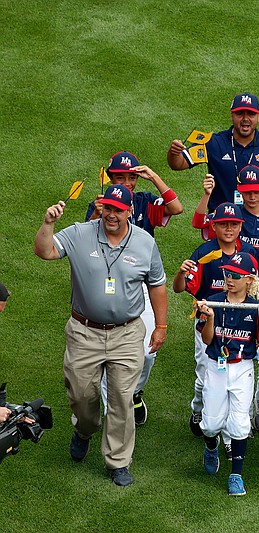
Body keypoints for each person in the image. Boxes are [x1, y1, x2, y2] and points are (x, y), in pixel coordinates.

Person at [34, 184, 168, 486]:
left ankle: (118, 461)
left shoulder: (145, 243)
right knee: (82, 396)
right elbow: (44, 251)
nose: (111, 214)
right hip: (84, 332)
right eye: (107, 208)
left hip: (126, 333)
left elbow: (157, 284)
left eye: (118, 210)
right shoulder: (80, 233)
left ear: (129, 211)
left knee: (121, 397)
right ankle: (84, 430)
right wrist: (48, 223)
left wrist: (161, 326)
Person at [86, 151, 184, 426]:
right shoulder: (101, 207)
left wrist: (152, 176)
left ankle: (134, 391)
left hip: (141, 285)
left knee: (147, 350)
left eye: (131, 177)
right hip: (105, 287)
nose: (127, 182)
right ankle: (115, 417)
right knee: (107, 352)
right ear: (109, 177)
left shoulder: (143, 201)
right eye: (120, 177)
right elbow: (83, 243)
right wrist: (95, 213)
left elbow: (175, 208)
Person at [174, 202, 257, 440]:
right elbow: (179, 288)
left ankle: (238, 425)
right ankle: (199, 411)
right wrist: (181, 273)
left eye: (233, 224)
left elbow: (256, 290)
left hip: (241, 324)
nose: (228, 228)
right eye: (223, 224)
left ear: (241, 226)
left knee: (242, 372)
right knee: (204, 374)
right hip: (209, 323)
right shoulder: (204, 253)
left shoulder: (250, 252)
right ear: (214, 226)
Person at [195, 252, 259, 496]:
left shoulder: (257, 309)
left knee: (239, 424)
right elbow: (206, 339)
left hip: (242, 367)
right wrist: (210, 318)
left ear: (249, 280)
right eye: (226, 274)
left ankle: (236, 475)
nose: (229, 279)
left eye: (235, 275)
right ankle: (211, 445)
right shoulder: (212, 301)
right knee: (211, 425)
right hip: (215, 366)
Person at [167, 92, 259, 212]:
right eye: (240, 114)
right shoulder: (213, 143)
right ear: (232, 116)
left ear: (258, 117)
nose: (245, 119)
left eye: (251, 114)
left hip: (255, 222)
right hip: (219, 222)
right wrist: (174, 153)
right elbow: (178, 164)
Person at [191, 167, 259, 270]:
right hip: (236, 279)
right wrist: (207, 194)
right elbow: (198, 223)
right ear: (239, 190)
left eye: (256, 192)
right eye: (247, 192)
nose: (252, 197)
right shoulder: (232, 214)